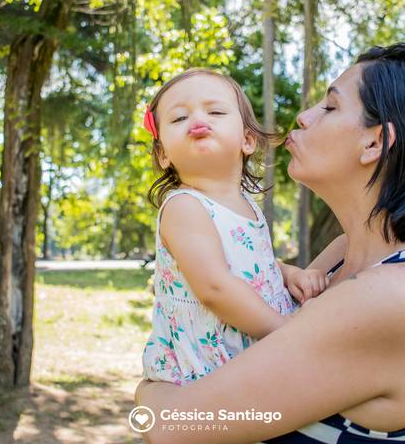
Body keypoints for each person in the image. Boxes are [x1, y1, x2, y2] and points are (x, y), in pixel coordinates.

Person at [135, 44, 405, 443]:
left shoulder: (395, 296)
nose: (303, 116)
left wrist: (147, 393)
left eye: (330, 107)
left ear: (374, 144)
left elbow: (171, 429)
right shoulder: (343, 255)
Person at [140, 68, 335, 386]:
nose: (197, 119)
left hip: (252, 352)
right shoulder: (184, 207)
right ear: (163, 154)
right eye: (178, 118)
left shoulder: (246, 204)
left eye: (215, 111)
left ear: (247, 140)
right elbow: (215, 288)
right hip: (208, 368)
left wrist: (290, 274)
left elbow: (249, 265)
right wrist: (287, 333)